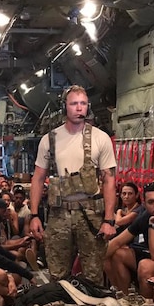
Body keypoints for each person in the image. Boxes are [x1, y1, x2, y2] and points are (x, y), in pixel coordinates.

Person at [29, 85, 117, 283]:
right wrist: (34, 215)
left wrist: (109, 219)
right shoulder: (49, 140)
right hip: (59, 213)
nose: (79, 108)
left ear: (88, 106)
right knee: (58, 275)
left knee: (94, 276)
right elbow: (38, 178)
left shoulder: (100, 138)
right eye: (74, 104)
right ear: (65, 108)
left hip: (91, 215)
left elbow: (109, 180)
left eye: (83, 103)